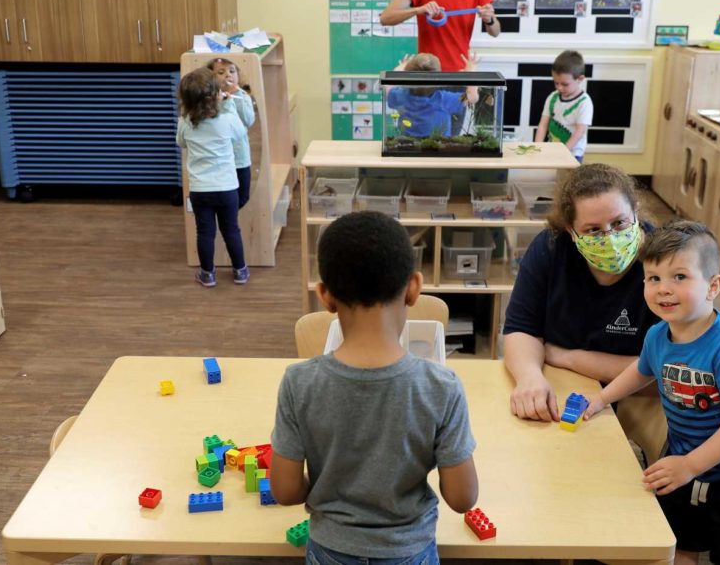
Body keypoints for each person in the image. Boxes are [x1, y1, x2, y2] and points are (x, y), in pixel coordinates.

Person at [270, 211, 479, 563]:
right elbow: (462, 498)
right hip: (408, 551)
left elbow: (285, 490)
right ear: (413, 288)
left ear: (325, 296)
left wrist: (326, 491)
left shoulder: (298, 382)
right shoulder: (441, 387)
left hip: (330, 550)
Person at [583, 221, 720, 565]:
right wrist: (602, 399)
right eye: (654, 278)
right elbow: (640, 371)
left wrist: (691, 465)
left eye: (680, 277)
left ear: (713, 285)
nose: (663, 289)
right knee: (678, 545)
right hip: (682, 461)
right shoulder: (658, 335)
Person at [504, 163, 659, 421]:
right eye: (594, 230)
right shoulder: (550, 249)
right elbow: (521, 329)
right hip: (565, 394)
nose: (610, 237)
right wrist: (529, 376)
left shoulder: (666, 261)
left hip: (637, 408)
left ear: (636, 211)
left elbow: (667, 372)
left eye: (620, 223)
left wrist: (568, 357)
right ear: (571, 231)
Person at [175, 68, 249, 287]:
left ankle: (207, 274)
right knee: (231, 230)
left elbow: (182, 143)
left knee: (205, 232)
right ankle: (240, 271)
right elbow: (240, 133)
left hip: (200, 189)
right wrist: (229, 106)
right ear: (216, 96)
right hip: (227, 188)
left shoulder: (185, 122)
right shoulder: (226, 121)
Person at [385, 52, 479, 138]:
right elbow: (472, 97)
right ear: (438, 81)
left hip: (408, 150)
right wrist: (471, 71)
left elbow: (387, 87)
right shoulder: (444, 100)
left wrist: (402, 67)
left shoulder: (401, 96)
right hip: (439, 152)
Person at [208, 58, 256, 209]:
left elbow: (248, 121)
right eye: (221, 72)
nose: (228, 75)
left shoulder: (244, 96)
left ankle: (230, 220)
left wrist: (239, 96)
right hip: (219, 158)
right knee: (224, 196)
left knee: (243, 196)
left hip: (240, 157)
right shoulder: (211, 98)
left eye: (232, 71)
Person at [534, 50, 592, 163]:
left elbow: (580, 131)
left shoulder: (584, 102)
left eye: (565, 84)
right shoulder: (553, 97)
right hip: (552, 153)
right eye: (556, 83)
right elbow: (543, 125)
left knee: (569, 181)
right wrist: (538, 148)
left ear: (580, 79)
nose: (559, 88)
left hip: (572, 155)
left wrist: (563, 152)